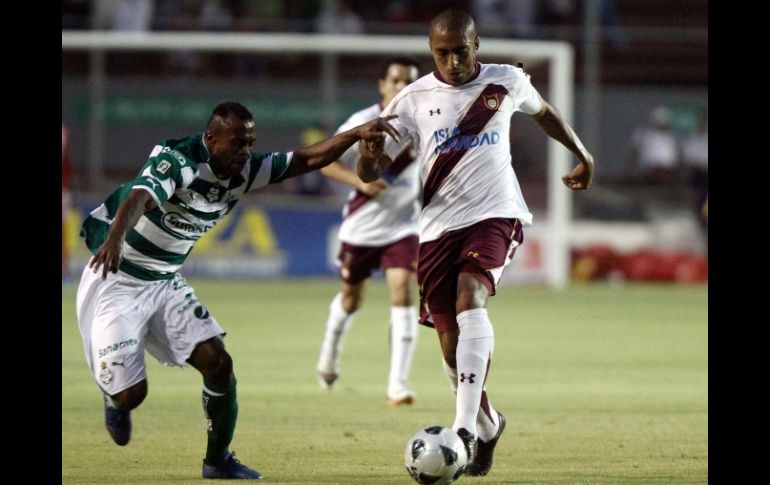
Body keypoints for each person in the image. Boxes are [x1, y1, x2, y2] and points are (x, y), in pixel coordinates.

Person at [76, 102, 398, 480]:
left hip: (165, 280)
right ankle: (114, 395)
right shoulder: (178, 160)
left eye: (250, 143)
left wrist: (354, 135)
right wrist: (115, 238)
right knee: (132, 396)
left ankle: (217, 462)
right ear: (211, 139)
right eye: (237, 143)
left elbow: (306, 159)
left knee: (218, 363)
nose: (245, 152)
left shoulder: (244, 171)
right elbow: (140, 197)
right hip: (117, 277)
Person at [357, 9, 594, 477]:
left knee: (472, 296)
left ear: (476, 44)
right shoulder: (411, 98)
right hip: (437, 229)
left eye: (461, 51)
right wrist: (366, 162)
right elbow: (374, 170)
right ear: (432, 51)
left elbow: (545, 115)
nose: (452, 62)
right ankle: (488, 425)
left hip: (496, 213)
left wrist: (582, 155)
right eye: (442, 53)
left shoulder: (505, 81)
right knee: (450, 351)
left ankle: (463, 429)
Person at [315, 57, 421, 406]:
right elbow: (327, 161)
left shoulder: (425, 121)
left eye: (408, 81)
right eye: (395, 80)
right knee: (351, 299)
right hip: (361, 228)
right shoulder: (363, 122)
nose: (401, 87)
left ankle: (398, 385)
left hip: (403, 227)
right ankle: (329, 354)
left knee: (402, 293)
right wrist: (358, 183)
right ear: (382, 84)